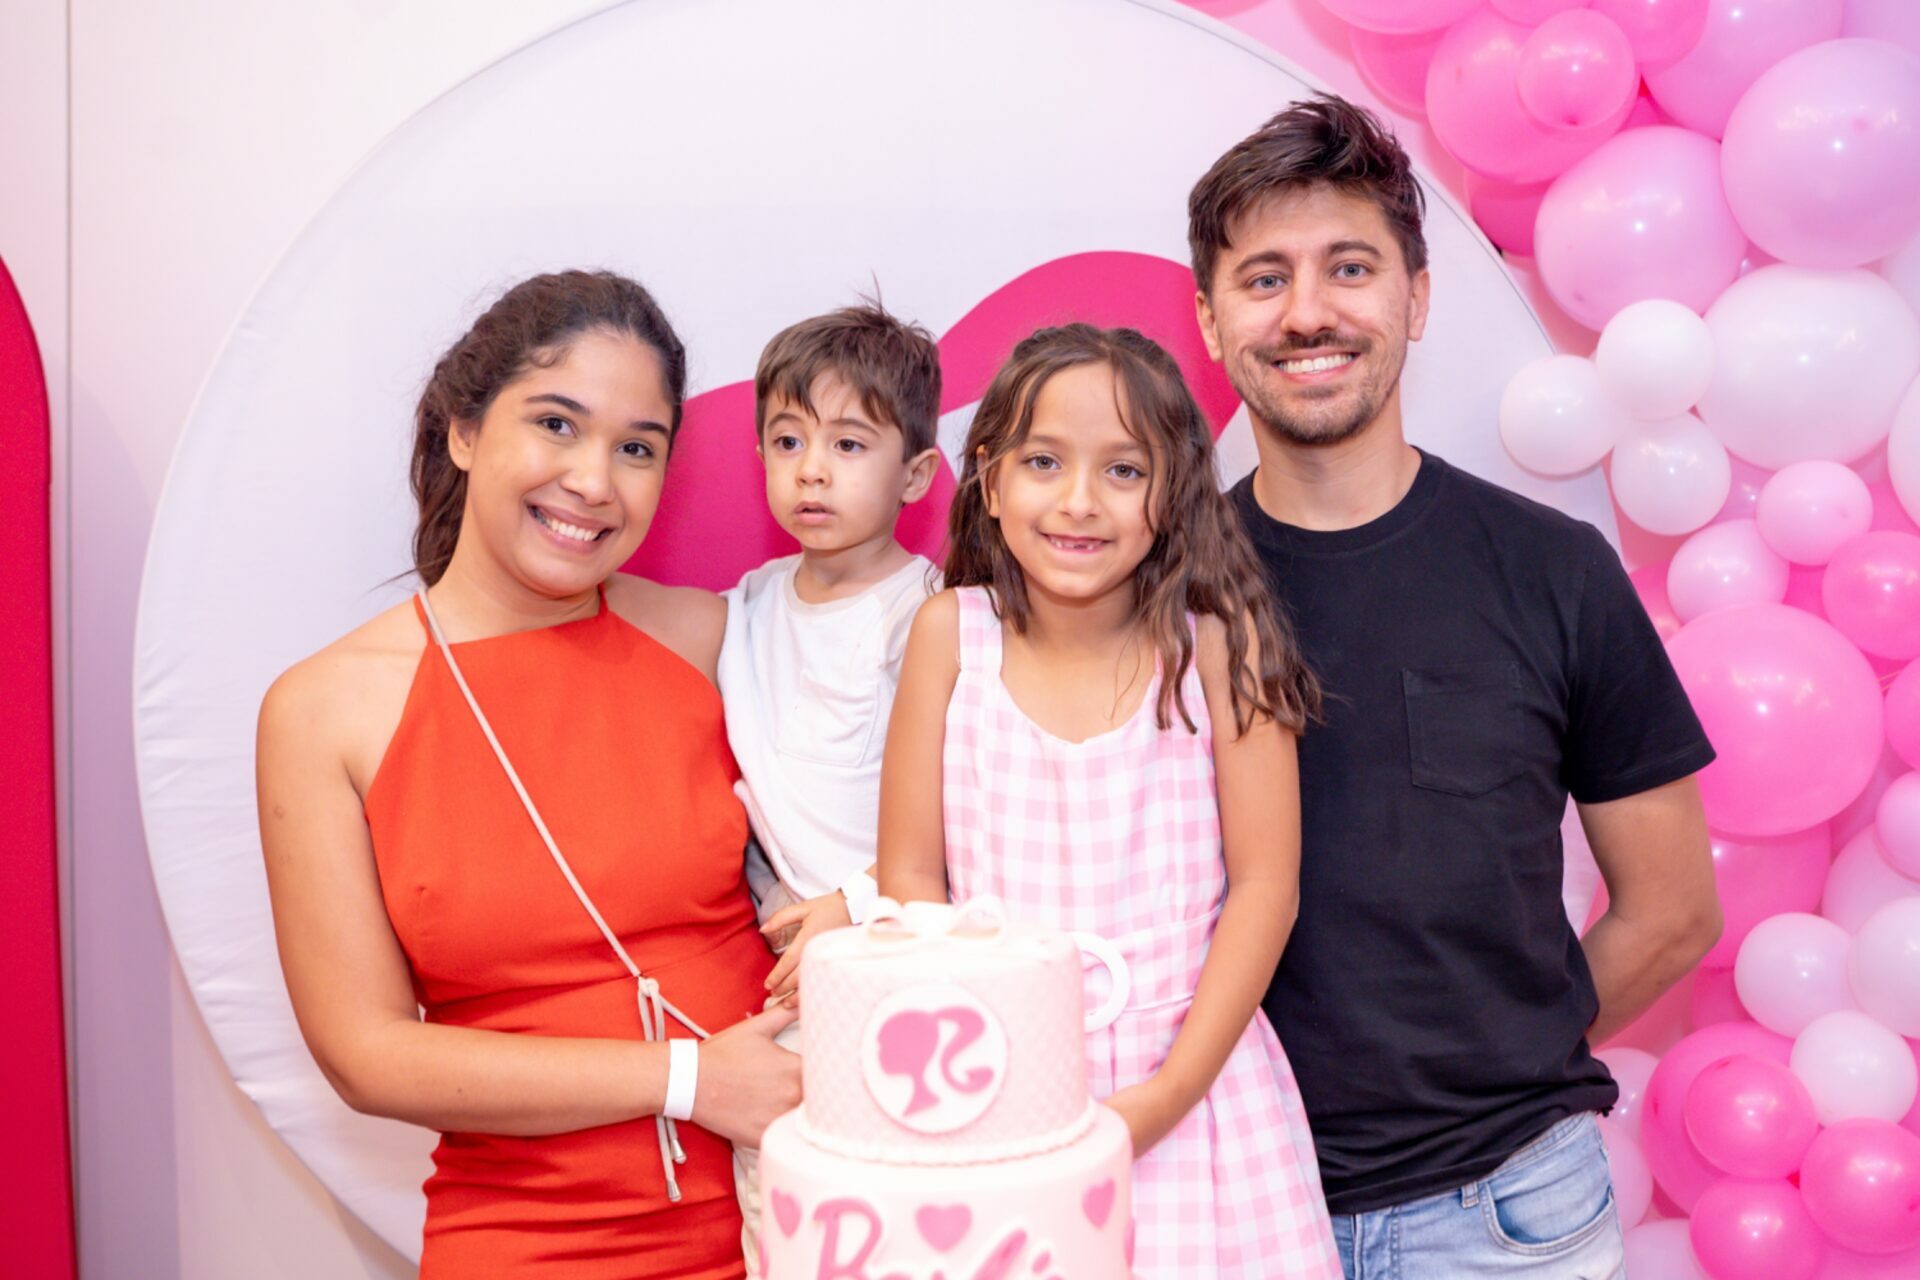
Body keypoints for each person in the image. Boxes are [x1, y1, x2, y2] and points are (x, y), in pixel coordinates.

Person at [1188, 96, 1722, 1277]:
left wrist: (1503, 1064)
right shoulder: (1165, 596)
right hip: (1231, 1211)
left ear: (1417, 298)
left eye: (1350, 267)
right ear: (1211, 320)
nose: (1308, 312)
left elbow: (1675, 906)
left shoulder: (1553, 569)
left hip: (1510, 1219)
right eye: (1265, 278)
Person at [257, 270, 800, 1278]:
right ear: (464, 430)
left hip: (795, 1225)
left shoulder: (710, 638)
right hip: (529, 1245)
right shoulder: (326, 709)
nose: (595, 481)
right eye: (557, 424)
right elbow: (367, 1054)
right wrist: (687, 1079)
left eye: (637, 447)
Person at [879, 323, 1343, 1277]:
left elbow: (1267, 889)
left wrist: (1165, 1099)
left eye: (1124, 470)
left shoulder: (1221, 645)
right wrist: (992, 1062)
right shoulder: (949, 635)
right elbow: (912, 877)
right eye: (1044, 461)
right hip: (998, 1082)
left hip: (1197, 1093)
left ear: (1172, 495)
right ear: (989, 481)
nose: (1080, 501)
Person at [714, 302, 943, 1272]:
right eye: (788, 440)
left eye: (848, 443)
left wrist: (858, 902)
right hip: (784, 979)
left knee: (907, 1213)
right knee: (783, 1212)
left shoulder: (928, 614)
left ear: (916, 475)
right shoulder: (748, 604)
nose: (812, 468)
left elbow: (961, 804)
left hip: (899, 955)